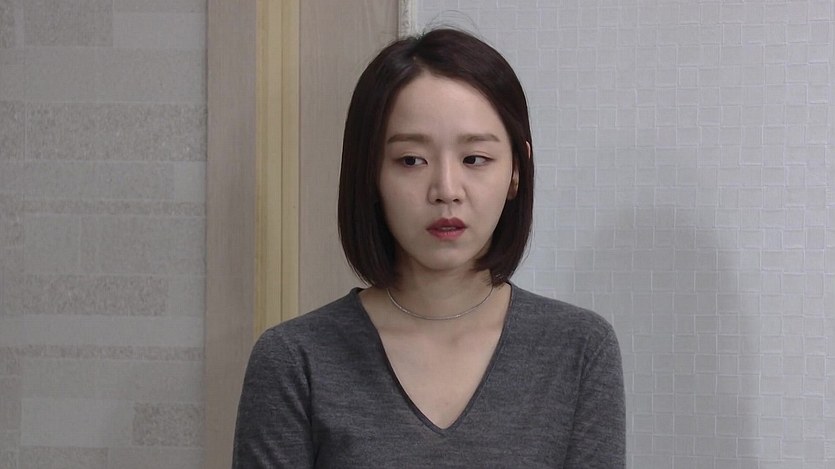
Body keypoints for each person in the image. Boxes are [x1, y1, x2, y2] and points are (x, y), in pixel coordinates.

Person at [232, 28, 625, 468]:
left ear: (516, 171)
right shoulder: (294, 359)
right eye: (411, 160)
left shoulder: (579, 350)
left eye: (475, 159)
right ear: (370, 175)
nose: (446, 190)